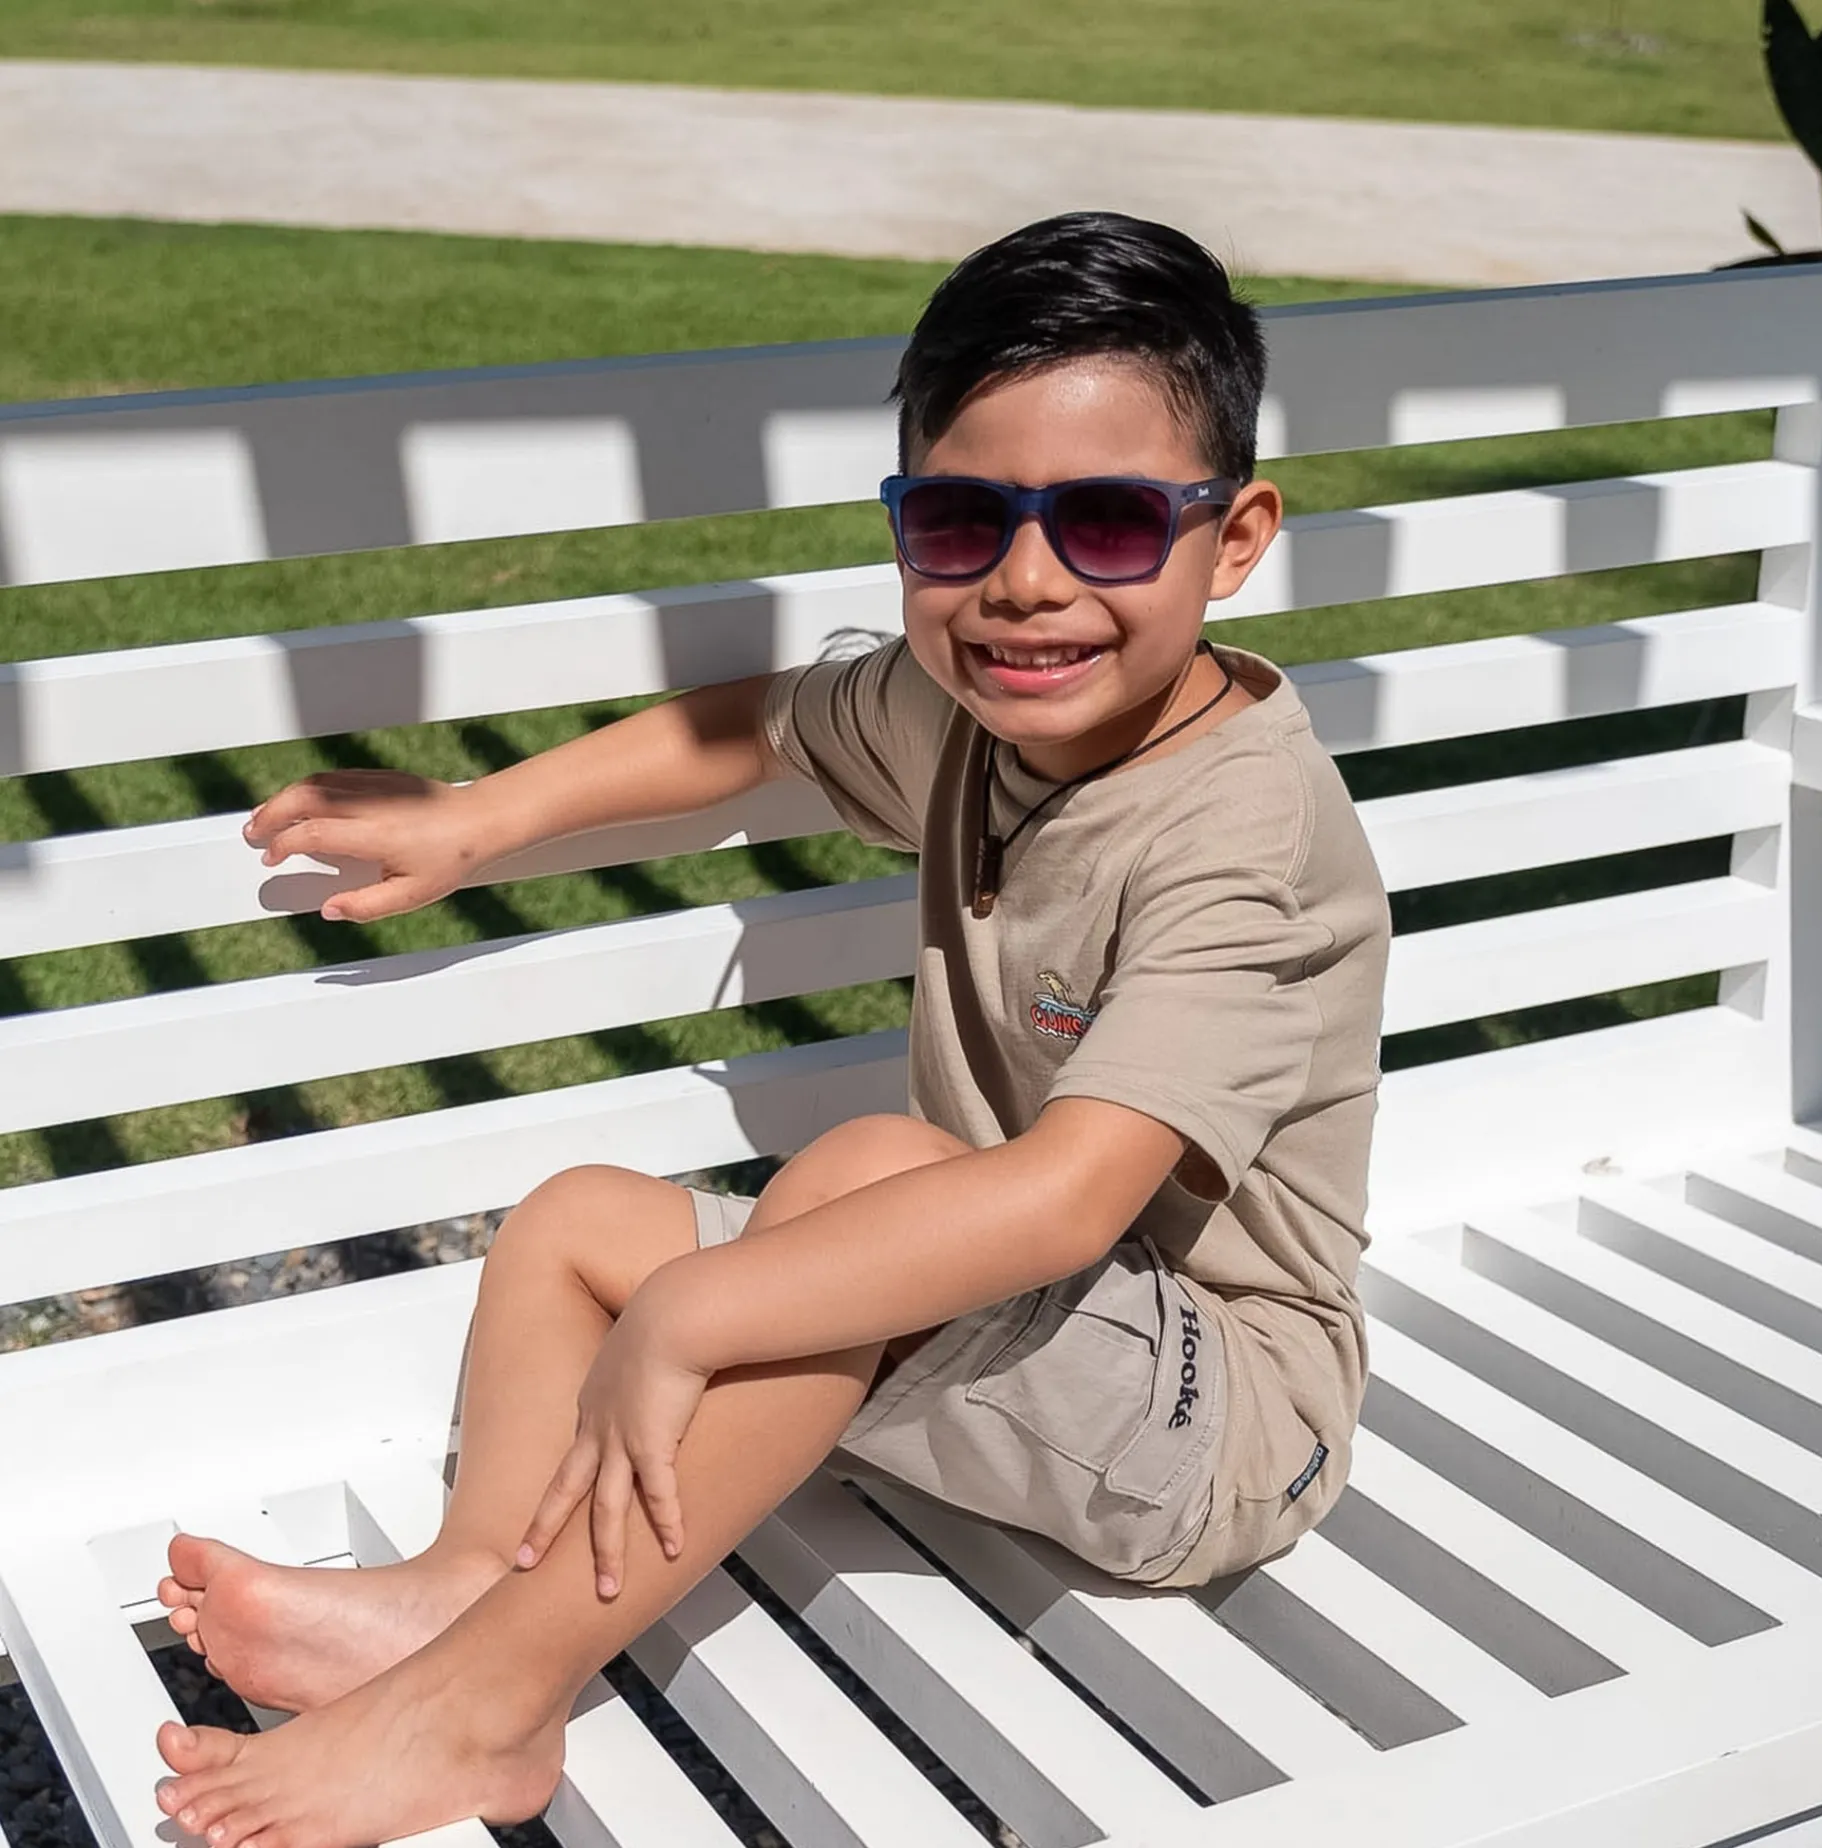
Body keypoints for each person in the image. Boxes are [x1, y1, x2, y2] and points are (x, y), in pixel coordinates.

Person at [152, 210, 1390, 1848]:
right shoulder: (977, 711)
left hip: (1219, 1418)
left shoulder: (1242, 841)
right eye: (960, 521)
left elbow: (1070, 1199)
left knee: (860, 1181)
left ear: (1233, 540)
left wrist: (692, 1315)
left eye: (1106, 522)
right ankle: (464, 1601)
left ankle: (489, 1710)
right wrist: (476, 817)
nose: (1027, 582)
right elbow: (759, 725)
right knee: (574, 1226)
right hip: (1009, 1308)